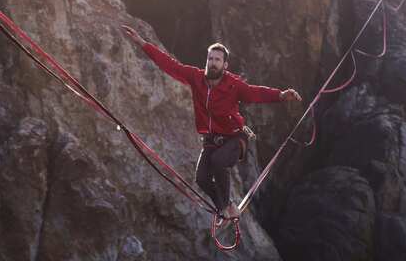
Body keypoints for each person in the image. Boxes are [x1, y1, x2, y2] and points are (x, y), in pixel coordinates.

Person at [122, 25, 302, 223]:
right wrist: (142, 43)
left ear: (225, 65)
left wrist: (281, 95)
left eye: (217, 60)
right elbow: (170, 65)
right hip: (210, 141)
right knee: (201, 179)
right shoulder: (196, 77)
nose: (213, 63)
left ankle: (226, 207)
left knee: (218, 161)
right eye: (210, 59)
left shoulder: (234, 85)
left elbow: (254, 92)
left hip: (234, 138)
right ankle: (225, 206)